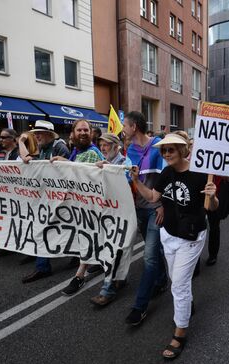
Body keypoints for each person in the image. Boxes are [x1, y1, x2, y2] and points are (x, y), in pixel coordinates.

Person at [130, 132, 218, 360]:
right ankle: (187, 304)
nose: (167, 154)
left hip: (191, 237)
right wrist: (136, 181)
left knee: (178, 284)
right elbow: (151, 197)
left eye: (172, 150)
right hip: (168, 234)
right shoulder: (167, 172)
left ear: (182, 150)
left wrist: (213, 195)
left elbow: (212, 208)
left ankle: (180, 333)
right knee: (175, 279)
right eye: (164, 150)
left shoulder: (200, 173)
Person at [49, 119, 105, 294]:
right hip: (79, 206)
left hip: (91, 208)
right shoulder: (75, 152)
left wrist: (65, 163)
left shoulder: (93, 153)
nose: (83, 133)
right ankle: (101, 261)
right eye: (79, 130)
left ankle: (80, 276)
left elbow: (85, 173)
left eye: (86, 130)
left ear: (91, 133)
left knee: (87, 238)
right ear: (72, 134)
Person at [122, 111, 168, 326]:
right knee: (155, 249)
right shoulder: (129, 149)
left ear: (134, 127)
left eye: (125, 125)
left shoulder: (158, 146)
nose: (123, 129)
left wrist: (161, 205)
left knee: (148, 257)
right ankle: (160, 280)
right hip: (138, 208)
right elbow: (127, 177)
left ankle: (139, 307)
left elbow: (166, 178)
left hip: (154, 208)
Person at [20, 121, 72, 284]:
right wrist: (22, 142)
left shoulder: (60, 147)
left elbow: (69, 172)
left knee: (65, 228)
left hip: (61, 198)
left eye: (39, 133)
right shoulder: (42, 148)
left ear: (49, 134)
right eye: (35, 134)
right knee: (45, 230)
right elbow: (26, 159)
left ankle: (47, 265)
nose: (36, 136)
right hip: (47, 198)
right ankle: (43, 266)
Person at [89, 133, 133, 306]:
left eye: (106, 145)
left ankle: (107, 291)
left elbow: (129, 180)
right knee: (114, 251)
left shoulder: (125, 163)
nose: (103, 148)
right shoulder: (102, 163)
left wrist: (110, 170)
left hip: (123, 214)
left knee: (115, 251)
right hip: (107, 214)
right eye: (101, 145)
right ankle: (117, 282)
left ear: (116, 147)